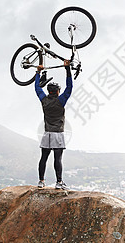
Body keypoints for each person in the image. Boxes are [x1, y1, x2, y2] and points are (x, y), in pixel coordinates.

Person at [35, 60, 73, 189]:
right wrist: (67, 69)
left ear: (49, 91)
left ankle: (41, 181)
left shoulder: (44, 100)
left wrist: (38, 72)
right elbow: (69, 87)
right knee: (58, 159)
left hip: (47, 134)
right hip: (58, 134)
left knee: (43, 158)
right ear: (57, 92)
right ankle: (59, 182)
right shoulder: (61, 100)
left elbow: (37, 88)